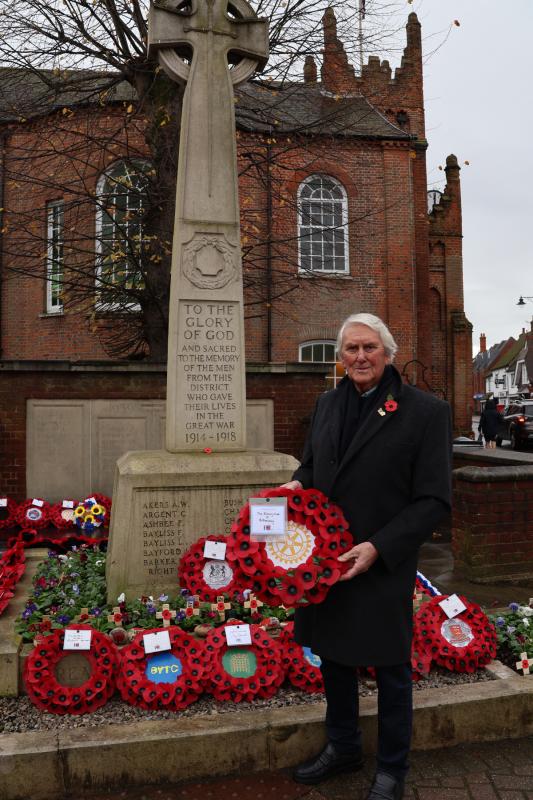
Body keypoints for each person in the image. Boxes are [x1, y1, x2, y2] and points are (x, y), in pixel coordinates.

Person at [282, 313, 452, 800]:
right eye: (351, 349)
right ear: (341, 357)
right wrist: (292, 488)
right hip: (327, 562)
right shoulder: (327, 404)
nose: (359, 357)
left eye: (369, 349)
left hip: (381, 560)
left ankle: (393, 769)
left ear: (388, 353)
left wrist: (379, 547)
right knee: (332, 658)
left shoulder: (424, 412)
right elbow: (312, 467)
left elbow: (434, 500)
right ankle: (344, 747)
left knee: (391, 667)